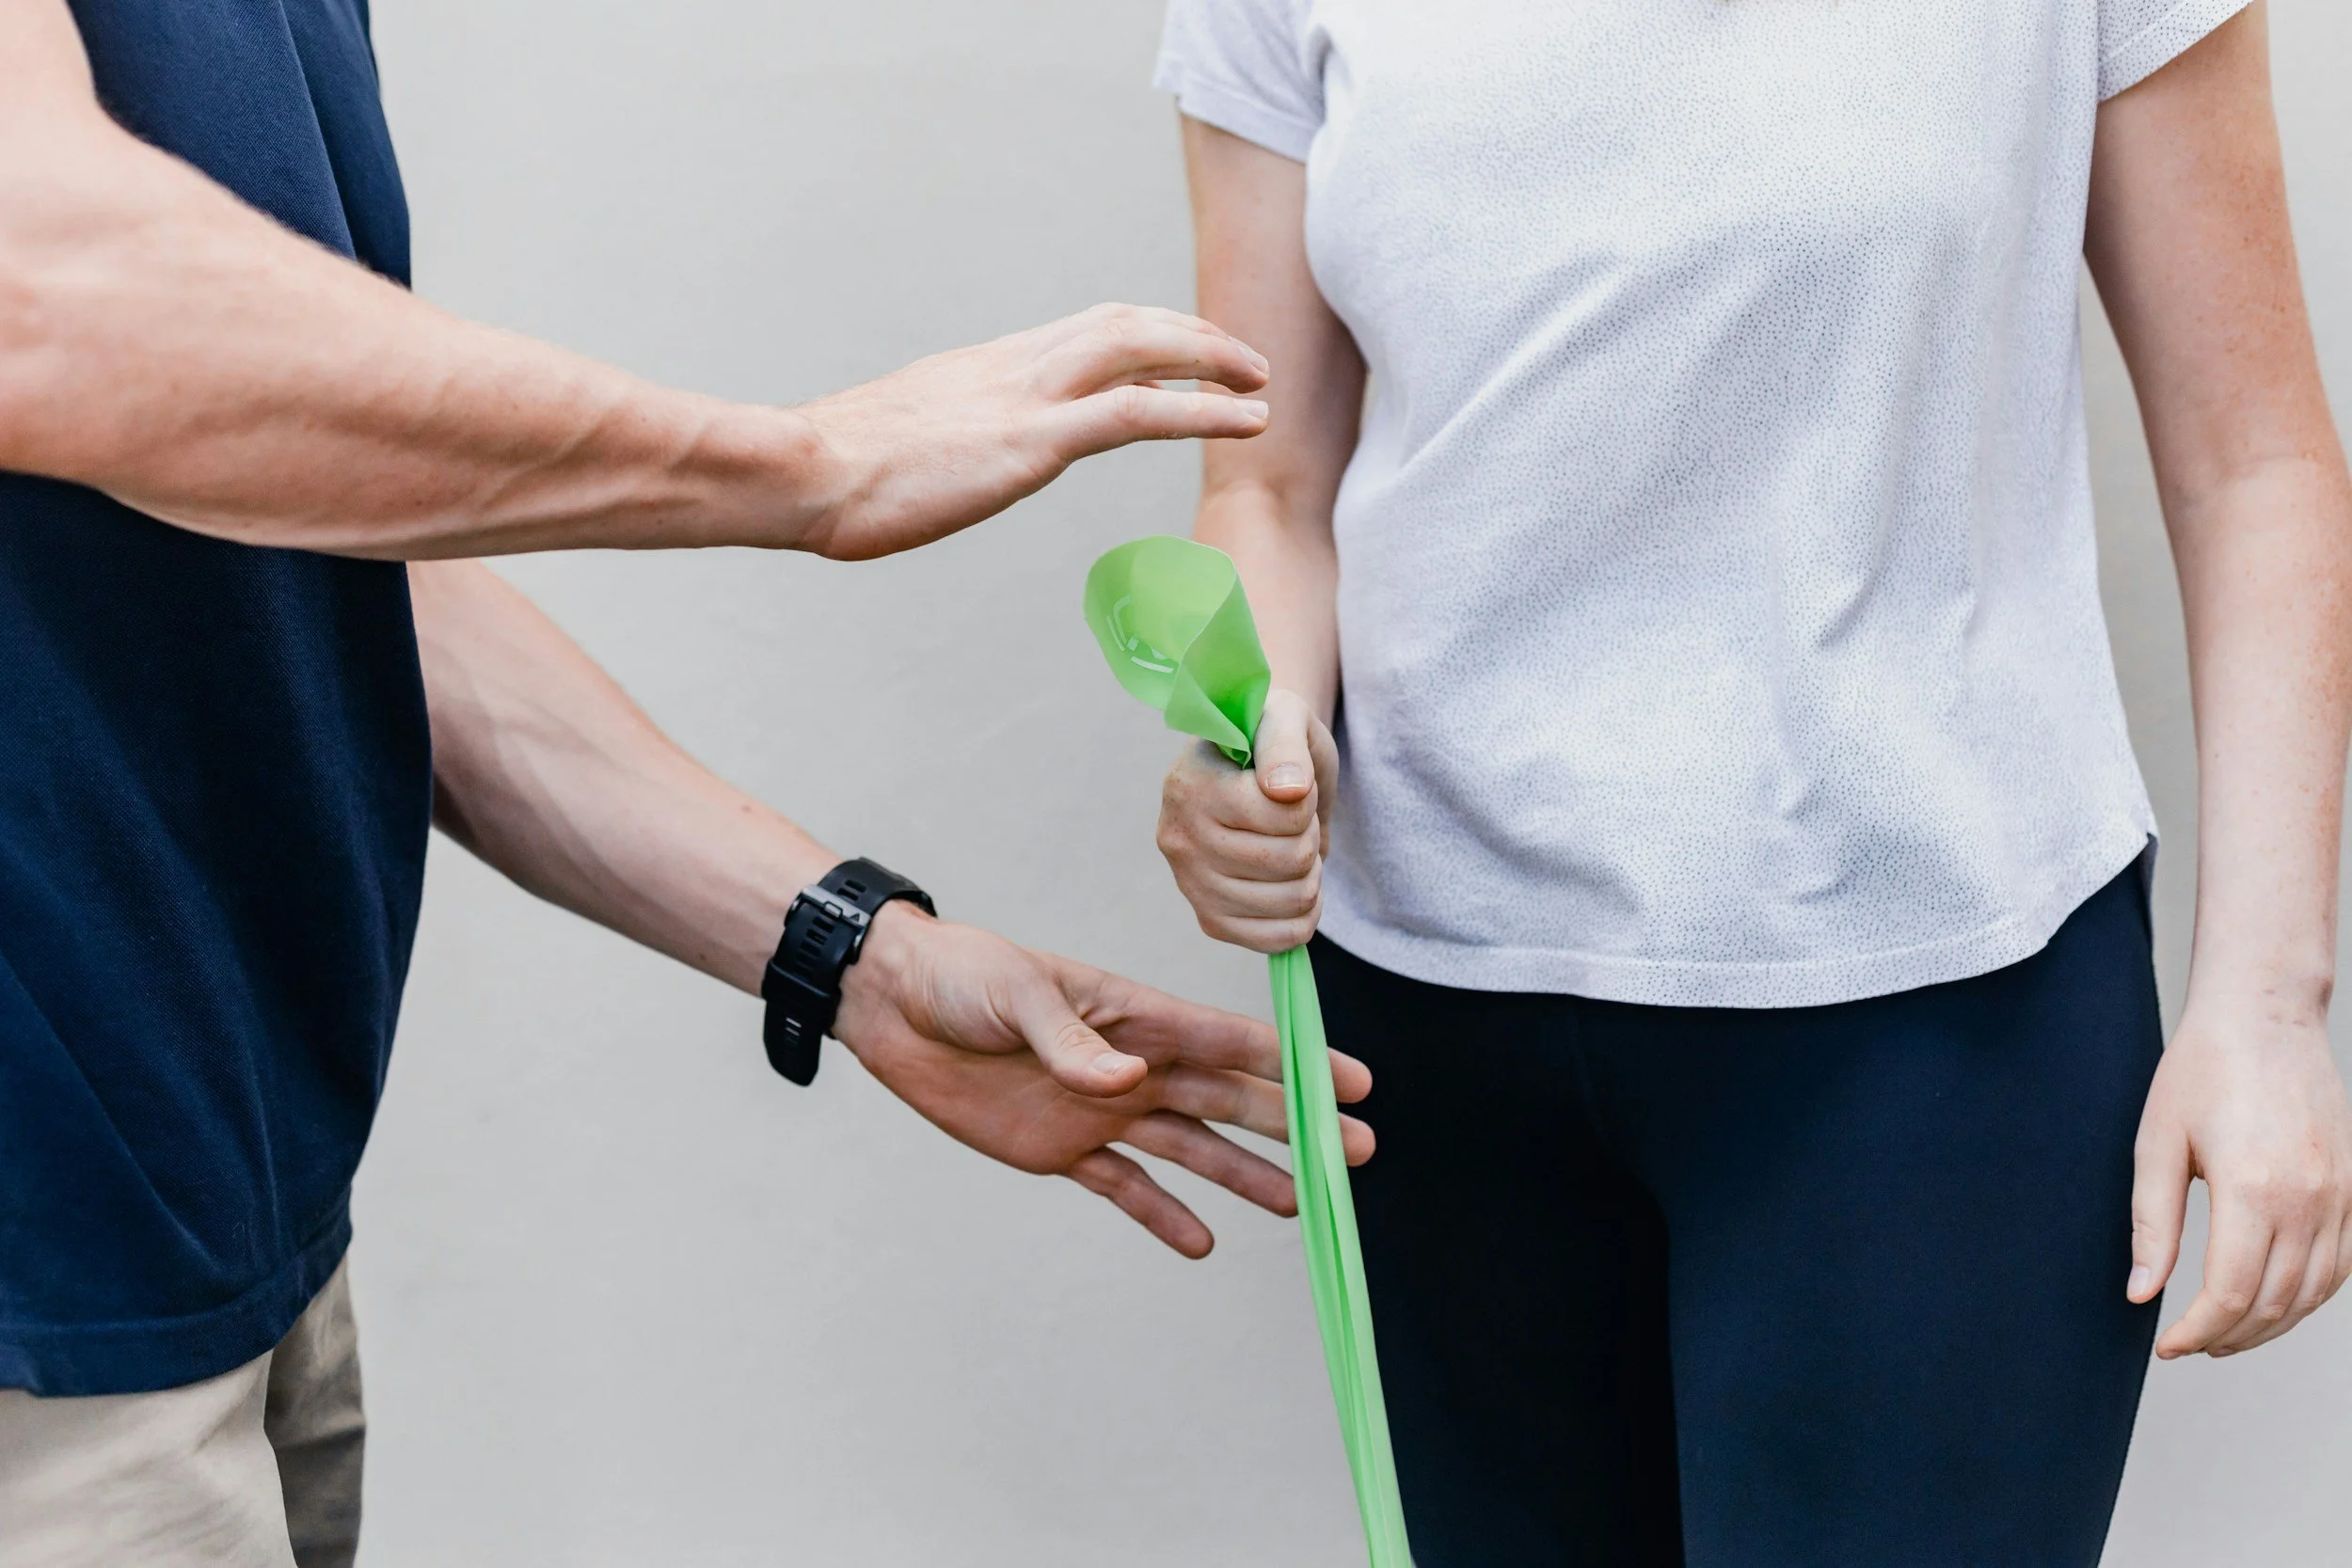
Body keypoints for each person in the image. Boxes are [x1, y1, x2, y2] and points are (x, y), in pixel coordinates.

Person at [0, 0, 1380, 1563]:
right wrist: (803, 465)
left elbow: (320, 557)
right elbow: (51, 306)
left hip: (224, 1219)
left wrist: (846, 946)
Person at [1149, 1, 2352, 1562]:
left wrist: (2266, 1006)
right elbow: (1267, 481)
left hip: (1940, 1028)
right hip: (1436, 1044)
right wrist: (1250, 733)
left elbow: (2251, 457)